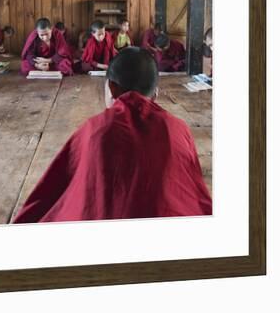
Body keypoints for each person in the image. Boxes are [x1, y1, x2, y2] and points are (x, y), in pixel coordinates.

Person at [13, 47, 212, 223]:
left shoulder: (93, 129)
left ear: (111, 88)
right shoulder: (179, 128)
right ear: (156, 94)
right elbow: (194, 191)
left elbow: (53, 191)